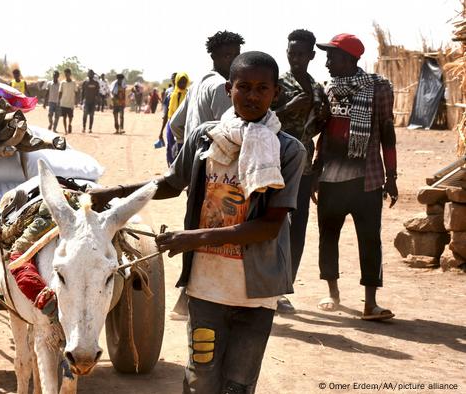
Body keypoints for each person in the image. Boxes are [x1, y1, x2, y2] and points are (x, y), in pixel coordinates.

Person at [90, 51, 305, 393]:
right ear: (227, 91)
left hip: (257, 293)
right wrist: (114, 192)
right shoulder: (206, 137)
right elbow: (172, 184)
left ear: (275, 93)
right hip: (207, 287)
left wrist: (192, 239)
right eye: (243, 87)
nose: (252, 96)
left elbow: (269, 226)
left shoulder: (288, 151)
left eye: (262, 88)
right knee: (200, 378)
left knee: (239, 384)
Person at [313, 34, 398, 321]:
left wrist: (392, 175)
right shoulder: (328, 89)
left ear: (349, 59)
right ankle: (333, 293)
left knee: (370, 240)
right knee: (328, 237)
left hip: (367, 180)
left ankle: (370, 303)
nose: (326, 63)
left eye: (331, 57)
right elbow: (323, 135)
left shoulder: (379, 89)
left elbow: (387, 131)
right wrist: (315, 173)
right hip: (330, 180)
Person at [168, 30, 243, 318]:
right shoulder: (224, 88)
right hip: (217, 173)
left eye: (237, 54)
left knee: (196, 229)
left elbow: (176, 125)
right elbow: (232, 132)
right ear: (214, 56)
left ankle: (187, 298)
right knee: (214, 234)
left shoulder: (199, 82)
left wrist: (189, 149)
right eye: (228, 55)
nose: (234, 60)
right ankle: (198, 299)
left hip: (196, 169)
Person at [270, 29, 329, 313]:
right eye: (291, 53)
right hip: (276, 165)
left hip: (304, 168)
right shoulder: (276, 84)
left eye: (301, 54)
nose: (295, 58)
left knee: (299, 228)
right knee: (273, 224)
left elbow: (323, 128)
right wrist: (289, 107)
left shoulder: (318, 89)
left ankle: (284, 288)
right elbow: (261, 119)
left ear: (311, 56)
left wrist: (317, 169)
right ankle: (266, 284)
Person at [165, 72, 189, 165]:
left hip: (184, 126)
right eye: (180, 82)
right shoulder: (172, 95)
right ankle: (171, 166)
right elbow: (169, 112)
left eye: (184, 82)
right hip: (172, 125)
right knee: (171, 146)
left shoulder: (189, 94)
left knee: (182, 148)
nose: (182, 84)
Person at [158, 73, 176, 144]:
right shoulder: (169, 91)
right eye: (172, 78)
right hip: (170, 119)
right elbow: (167, 107)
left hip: (181, 124)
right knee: (170, 144)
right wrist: (161, 131)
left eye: (175, 78)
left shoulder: (186, 92)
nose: (174, 80)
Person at [58, 68, 77, 134]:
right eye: (65, 74)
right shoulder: (62, 83)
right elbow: (60, 92)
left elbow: (76, 92)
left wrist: (76, 101)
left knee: (71, 116)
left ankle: (69, 124)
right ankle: (65, 129)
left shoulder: (73, 83)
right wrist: (58, 100)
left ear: (70, 74)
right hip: (63, 102)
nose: (66, 75)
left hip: (71, 103)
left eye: (68, 74)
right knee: (64, 117)